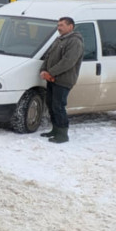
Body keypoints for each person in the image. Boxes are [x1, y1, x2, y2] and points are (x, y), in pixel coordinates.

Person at [39, 16, 84, 144]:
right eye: (58, 25)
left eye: (61, 25)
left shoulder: (75, 41)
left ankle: (63, 134)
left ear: (70, 27)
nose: (58, 28)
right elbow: (48, 56)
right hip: (52, 79)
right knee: (51, 104)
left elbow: (68, 62)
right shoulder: (59, 39)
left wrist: (51, 73)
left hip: (63, 80)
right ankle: (55, 130)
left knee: (58, 106)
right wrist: (44, 70)